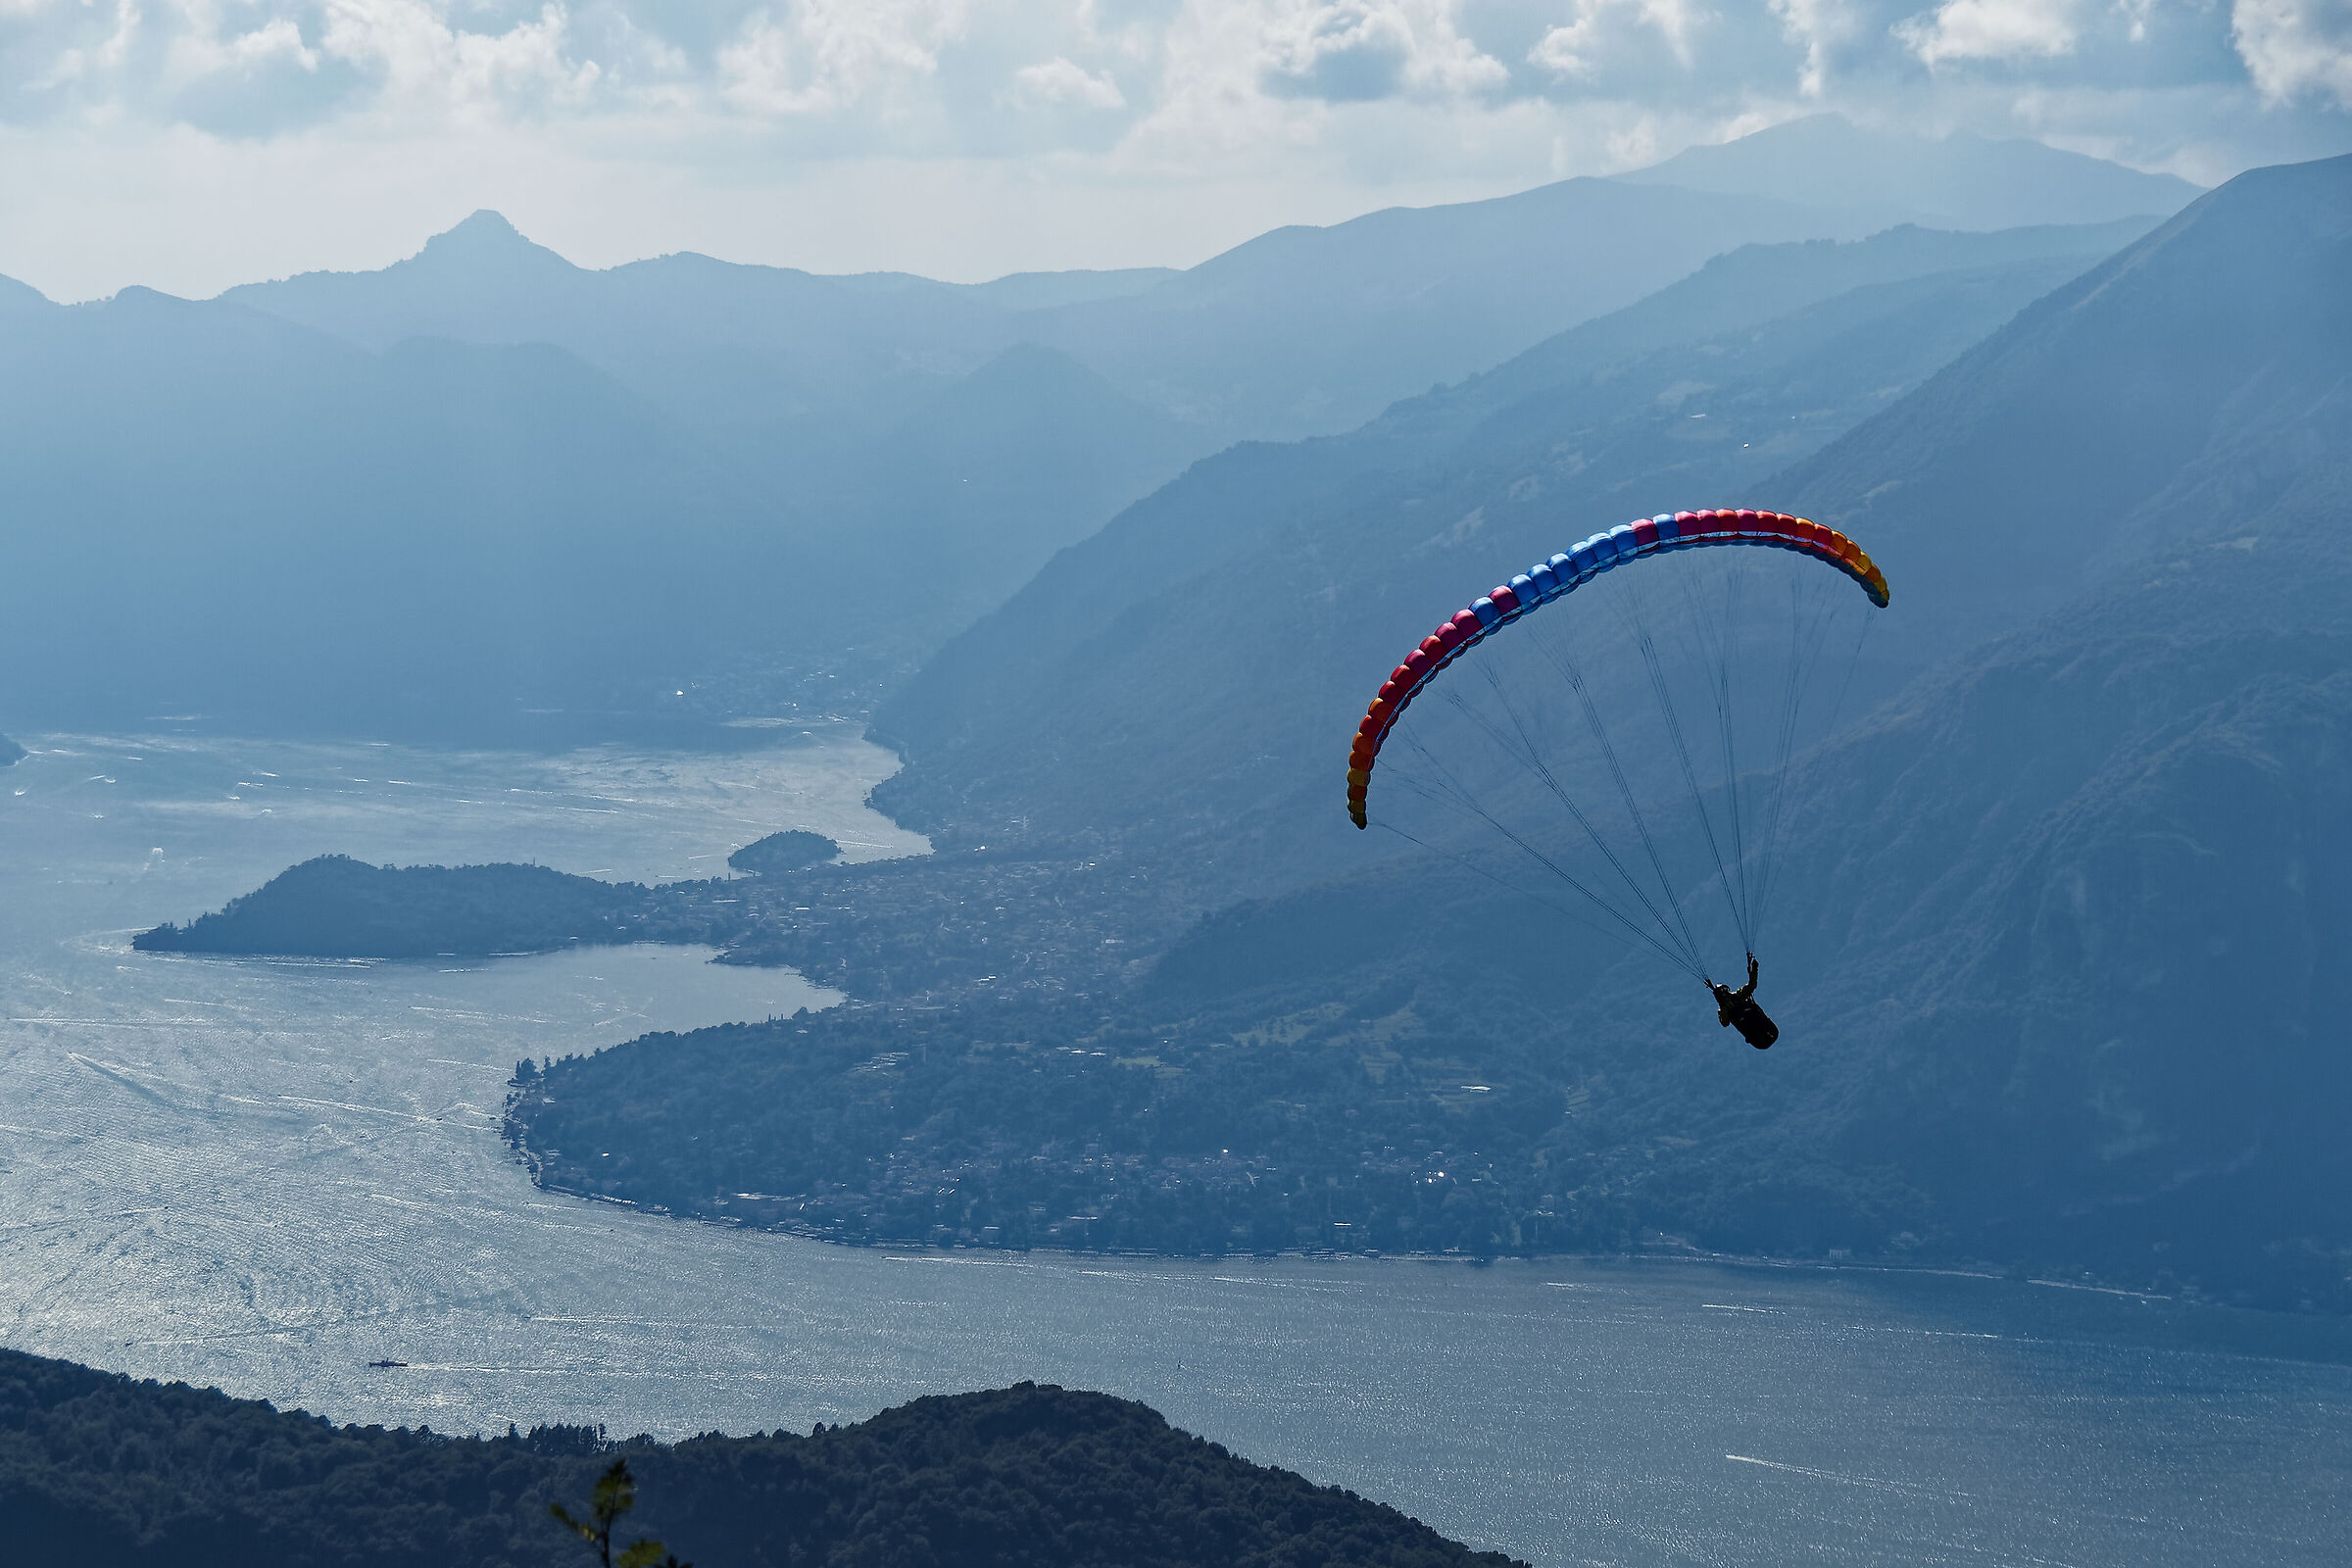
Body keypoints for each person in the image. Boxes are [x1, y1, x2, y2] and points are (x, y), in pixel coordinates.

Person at [1708, 954, 1779, 1049]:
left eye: (1725, 992)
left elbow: (1751, 985)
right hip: (1758, 1040)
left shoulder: (1738, 995)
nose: (1726, 994)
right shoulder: (1723, 1011)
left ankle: (1758, 1025)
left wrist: (1754, 969)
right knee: (1748, 1013)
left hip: (1768, 1030)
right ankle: (1756, 1028)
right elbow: (1725, 1023)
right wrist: (1723, 1007)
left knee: (1751, 1011)